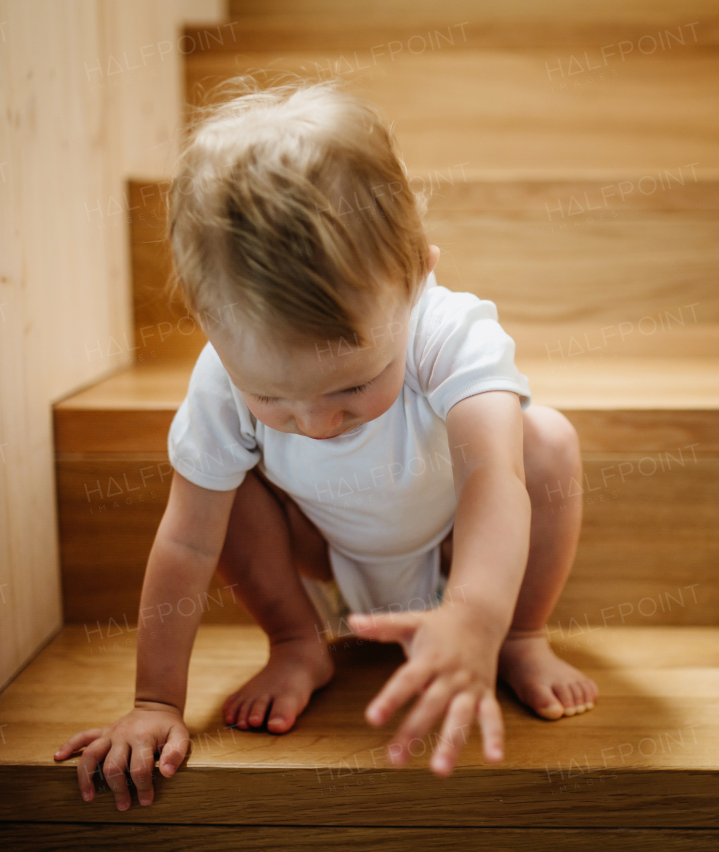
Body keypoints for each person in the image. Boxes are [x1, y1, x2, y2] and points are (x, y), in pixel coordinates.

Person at [53, 82, 597, 810]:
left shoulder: (449, 331)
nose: (313, 424)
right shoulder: (220, 376)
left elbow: (492, 478)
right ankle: (297, 643)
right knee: (220, 485)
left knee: (548, 443)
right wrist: (156, 702)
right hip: (318, 555)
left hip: (454, 549)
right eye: (272, 398)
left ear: (417, 275)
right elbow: (186, 545)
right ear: (211, 327)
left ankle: (523, 635)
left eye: (351, 389)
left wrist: (478, 612)